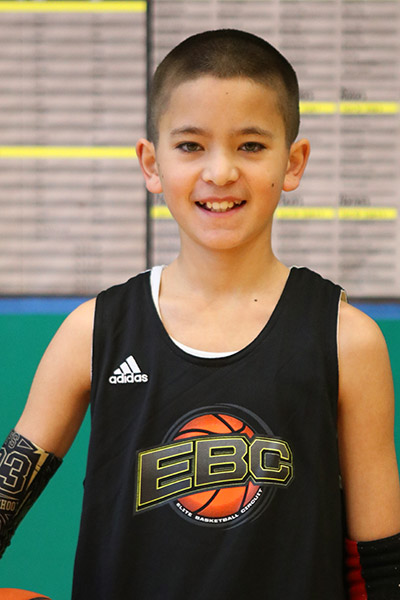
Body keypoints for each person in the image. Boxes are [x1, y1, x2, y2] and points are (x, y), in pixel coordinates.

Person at [1, 29, 400, 600]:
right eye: (190, 146)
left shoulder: (346, 340)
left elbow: (382, 570)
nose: (220, 172)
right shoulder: (93, 333)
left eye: (251, 146)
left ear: (293, 163)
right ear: (151, 164)